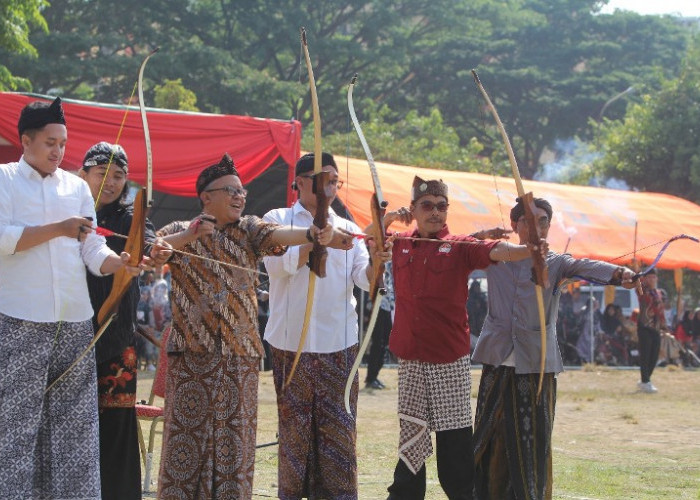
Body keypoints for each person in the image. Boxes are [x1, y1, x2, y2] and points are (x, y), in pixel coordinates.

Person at [155, 153, 352, 499]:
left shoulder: (249, 229)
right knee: (185, 447)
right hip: (191, 358)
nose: (239, 197)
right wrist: (189, 235)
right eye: (231, 191)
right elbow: (150, 251)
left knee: (235, 449)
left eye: (241, 192)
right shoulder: (177, 232)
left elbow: (279, 234)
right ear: (206, 197)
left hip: (239, 358)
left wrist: (312, 232)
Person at [0, 98, 144, 499]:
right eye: (49, 142)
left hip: (75, 320)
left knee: (74, 426)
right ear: (25, 141)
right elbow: (4, 240)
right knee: (16, 426)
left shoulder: (76, 187)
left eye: (62, 143)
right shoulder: (5, 179)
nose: (58, 151)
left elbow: (91, 250)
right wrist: (59, 228)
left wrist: (119, 263)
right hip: (19, 318)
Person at [382, 177, 547, 500]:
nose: (435, 212)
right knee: (411, 430)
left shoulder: (459, 246)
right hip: (411, 355)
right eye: (427, 206)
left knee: (454, 437)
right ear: (413, 210)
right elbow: (373, 242)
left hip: (447, 357)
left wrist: (529, 249)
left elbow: (496, 252)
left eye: (441, 207)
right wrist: (386, 220)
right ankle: (405, 494)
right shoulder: (400, 243)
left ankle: (462, 494)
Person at [471, 197, 637, 500]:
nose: (537, 226)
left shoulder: (557, 262)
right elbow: (462, 249)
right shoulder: (494, 255)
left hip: (536, 361)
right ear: (515, 225)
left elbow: (585, 266)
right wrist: (482, 235)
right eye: (529, 220)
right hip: (497, 358)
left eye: (543, 220)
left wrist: (619, 274)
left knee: (532, 438)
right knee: (488, 436)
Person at [263, 151, 389, 499]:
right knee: (295, 433)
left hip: (339, 346)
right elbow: (279, 266)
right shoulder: (278, 218)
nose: (330, 187)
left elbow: (365, 280)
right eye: (323, 180)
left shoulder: (348, 228)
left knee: (339, 433)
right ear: (301, 182)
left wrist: (377, 260)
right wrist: (313, 239)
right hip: (292, 344)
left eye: (334, 180)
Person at [79, 140, 172, 499]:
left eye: (119, 176)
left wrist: (156, 249)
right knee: (72, 426)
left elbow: (145, 240)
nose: (112, 182)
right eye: (103, 174)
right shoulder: (68, 211)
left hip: (115, 339)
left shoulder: (127, 217)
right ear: (84, 173)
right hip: (70, 336)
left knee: (116, 426)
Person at [365, 262, 395, 390]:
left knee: (385, 342)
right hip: (378, 304)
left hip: (388, 304)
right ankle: (371, 378)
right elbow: (378, 275)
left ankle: (374, 376)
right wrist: (381, 286)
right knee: (377, 342)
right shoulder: (385, 258)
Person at [636, 269, 666, 393]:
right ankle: (645, 381)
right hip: (644, 326)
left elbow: (660, 311)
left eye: (654, 277)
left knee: (654, 356)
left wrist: (664, 326)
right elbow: (636, 283)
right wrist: (637, 269)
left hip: (656, 327)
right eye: (649, 277)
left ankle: (645, 379)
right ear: (646, 278)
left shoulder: (658, 293)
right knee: (645, 354)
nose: (652, 279)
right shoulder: (642, 289)